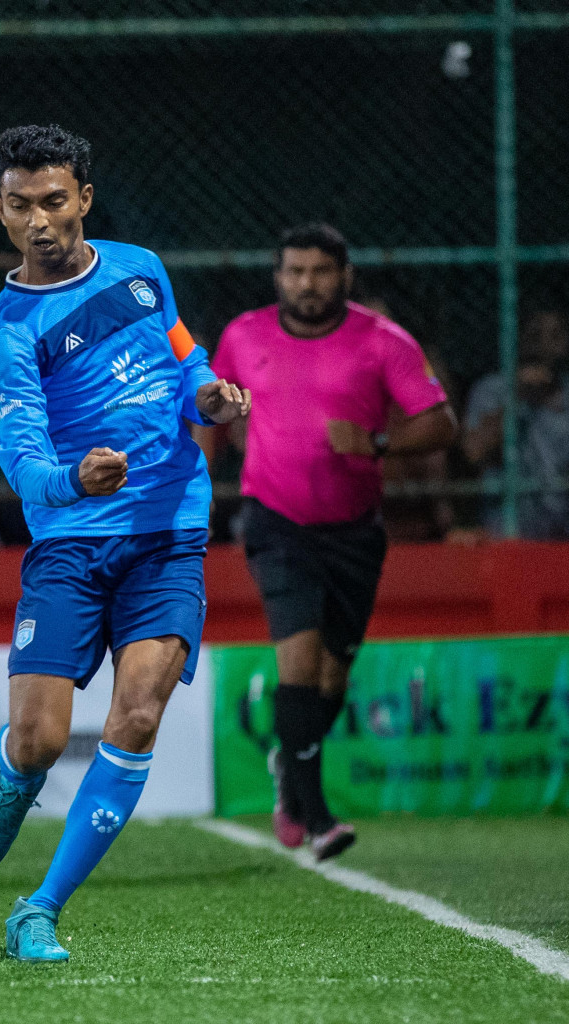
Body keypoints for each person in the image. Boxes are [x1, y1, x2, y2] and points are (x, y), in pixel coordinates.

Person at [0, 124, 250, 964]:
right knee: (43, 737)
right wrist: (72, 480)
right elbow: (20, 462)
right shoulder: (8, 331)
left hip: (169, 532)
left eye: (54, 201)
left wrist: (213, 399)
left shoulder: (141, 268)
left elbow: (184, 361)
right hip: (73, 543)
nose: (40, 222)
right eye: (20, 207)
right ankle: (18, 780)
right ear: (1, 211)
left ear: (84, 197)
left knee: (136, 714)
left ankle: (40, 908)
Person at [213, 223, 456, 858]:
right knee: (298, 658)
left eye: (320, 272)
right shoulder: (244, 335)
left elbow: (441, 423)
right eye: (294, 272)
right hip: (275, 521)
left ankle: (288, 772)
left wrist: (377, 443)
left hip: (354, 530)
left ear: (344, 276)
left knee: (332, 677)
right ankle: (317, 817)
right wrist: (193, 478)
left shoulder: (384, 343)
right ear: (277, 276)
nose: (306, 284)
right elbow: (210, 413)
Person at [461, 308, 569, 538]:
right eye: (535, 335)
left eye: (555, 336)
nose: (544, 346)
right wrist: (519, 397)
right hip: (507, 529)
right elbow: (474, 451)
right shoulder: (492, 390)